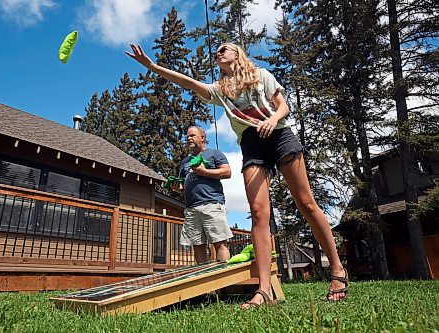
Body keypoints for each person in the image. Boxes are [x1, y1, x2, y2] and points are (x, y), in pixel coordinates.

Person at [126, 43, 349, 307]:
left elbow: (283, 107)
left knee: (307, 203)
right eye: (216, 52)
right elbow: (187, 82)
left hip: (279, 135)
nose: (218, 53)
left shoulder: (261, 75)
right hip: (252, 145)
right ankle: (264, 290)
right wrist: (153, 67)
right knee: (257, 212)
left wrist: (271, 119)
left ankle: (337, 269)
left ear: (237, 54)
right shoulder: (220, 90)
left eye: (224, 49)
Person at [172, 126, 233, 264]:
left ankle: (225, 282)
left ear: (202, 138)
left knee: (219, 243)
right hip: (191, 208)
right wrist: (178, 188)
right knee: (197, 245)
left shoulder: (214, 154)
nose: (188, 138)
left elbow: (227, 172)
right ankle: (207, 283)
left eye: (192, 135)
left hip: (211, 203)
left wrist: (203, 172)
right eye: (187, 136)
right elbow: (183, 184)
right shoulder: (185, 162)